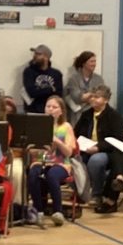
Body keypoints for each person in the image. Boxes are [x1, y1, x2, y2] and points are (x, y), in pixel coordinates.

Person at [74, 85, 123, 213]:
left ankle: (96, 195)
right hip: (85, 148)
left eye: (97, 97)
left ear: (106, 100)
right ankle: (81, 192)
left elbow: (117, 139)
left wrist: (98, 147)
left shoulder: (113, 116)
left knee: (96, 161)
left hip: (106, 151)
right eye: (92, 97)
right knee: (74, 161)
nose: (93, 100)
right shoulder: (86, 115)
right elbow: (76, 133)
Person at [25, 95, 76, 227]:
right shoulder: (37, 126)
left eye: (54, 107)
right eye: (48, 106)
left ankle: (58, 211)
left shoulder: (66, 126)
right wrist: (35, 151)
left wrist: (56, 140)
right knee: (33, 173)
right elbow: (33, 151)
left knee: (52, 174)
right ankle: (38, 210)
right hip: (43, 159)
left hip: (61, 161)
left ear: (61, 111)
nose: (51, 109)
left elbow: (69, 152)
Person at [63, 51, 104, 125]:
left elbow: (102, 96)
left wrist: (88, 96)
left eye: (95, 61)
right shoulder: (73, 79)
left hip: (94, 112)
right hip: (77, 114)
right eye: (91, 61)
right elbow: (77, 98)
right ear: (84, 63)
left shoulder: (99, 79)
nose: (94, 64)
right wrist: (92, 94)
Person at [23, 44, 63, 113]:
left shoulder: (56, 74)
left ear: (46, 57)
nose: (34, 56)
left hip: (51, 111)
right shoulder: (29, 71)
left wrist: (39, 90)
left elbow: (58, 94)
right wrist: (50, 89)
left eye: (38, 54)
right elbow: (31, 92)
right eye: (35, 54)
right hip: (33, 110)